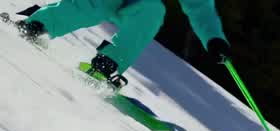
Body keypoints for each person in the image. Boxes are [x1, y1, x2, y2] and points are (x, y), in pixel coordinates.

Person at [13, 0, 229, 86]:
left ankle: (106, 65)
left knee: (153, 12)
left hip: (136, 4)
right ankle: (37, 26)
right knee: (92, 6)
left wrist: (214, 39)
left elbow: (201, 8)